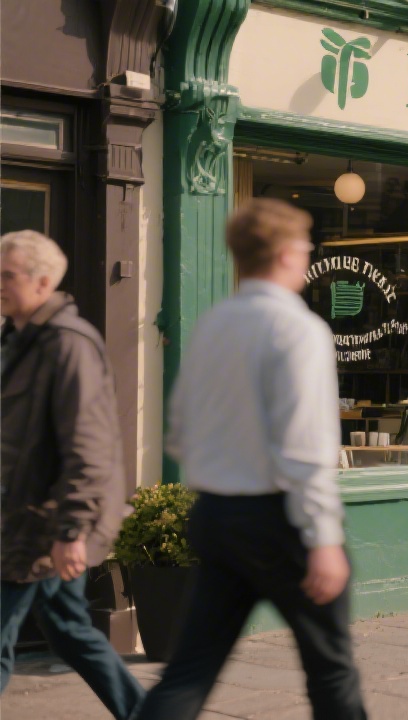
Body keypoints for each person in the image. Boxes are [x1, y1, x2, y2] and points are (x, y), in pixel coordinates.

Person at [135, 199, 366, 719]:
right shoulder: (299, 329)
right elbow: (306, 447)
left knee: (189, 670)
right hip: (282, 520)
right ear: (285, 253)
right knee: (330, 669)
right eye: (305, 245)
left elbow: (178, 432)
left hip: (216, 515)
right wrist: (324, 537)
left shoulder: (213, 324)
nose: (308, 255)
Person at [0, 231, 143, 719]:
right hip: (23, 519)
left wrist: (71, 529)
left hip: (43, 525)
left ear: (42, 282)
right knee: (71, 632)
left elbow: (88, 446)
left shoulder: (68, 344)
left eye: (7, 275)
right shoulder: (18, 341)